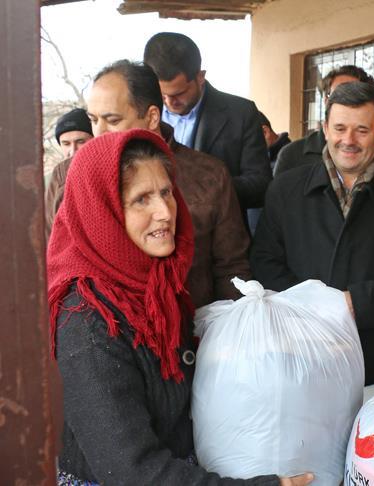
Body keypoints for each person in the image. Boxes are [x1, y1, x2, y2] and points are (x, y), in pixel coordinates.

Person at [48, 128, 312, 485]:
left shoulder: (155, 286)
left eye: (166, 192)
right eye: (141, 199)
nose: (165, 211)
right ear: (103, 212)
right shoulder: (90, 321)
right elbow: (132, 471)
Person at [251, 82, 374, 385]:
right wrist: (313, 308)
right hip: (299, 351)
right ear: (325, 129)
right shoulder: (285, 189)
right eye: (339, 128)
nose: (348, 140)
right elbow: (264, 261)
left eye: (361, 131)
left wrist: (358, 303)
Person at [45, 60, 250, 308]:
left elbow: (232, 269)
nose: (99, 133)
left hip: (194, 331)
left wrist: (225, 335)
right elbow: (48, 262)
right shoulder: (66, 176)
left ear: (152, 116)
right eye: (93, 120)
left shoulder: (208, 175)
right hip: (102, 328)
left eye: (112, 120)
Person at [144, 32, 271, 213]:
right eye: (162, 94)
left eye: (179, 93)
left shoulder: (241, 113)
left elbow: (261, 186)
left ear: (200, 76)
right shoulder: (140, 113)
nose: (169, 102)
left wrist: (207, 187)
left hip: (218, 234)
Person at [273, 65, 374, 176]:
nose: (349, 140)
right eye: (337, 95)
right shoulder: (292, 155)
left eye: (355, 96)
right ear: (326, 100)